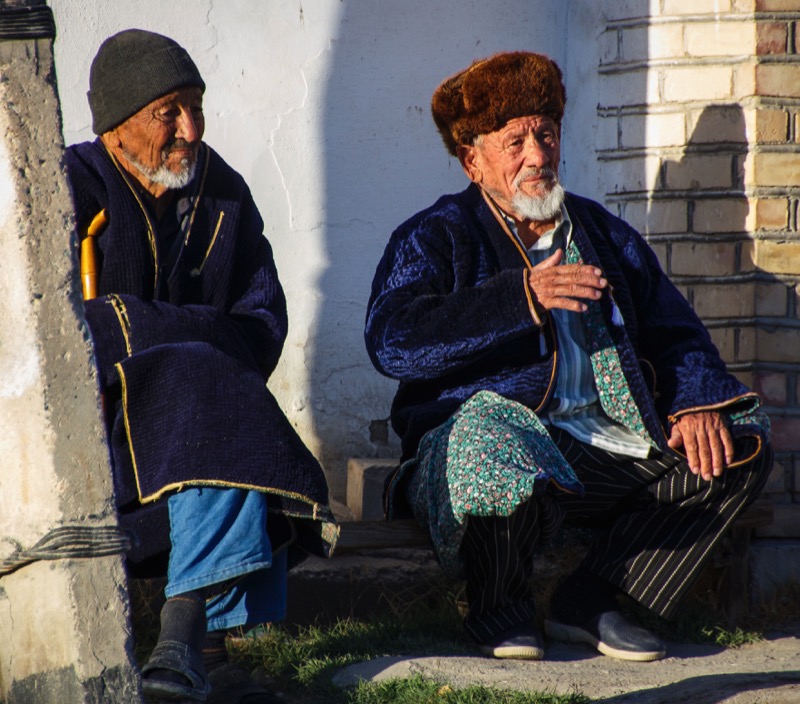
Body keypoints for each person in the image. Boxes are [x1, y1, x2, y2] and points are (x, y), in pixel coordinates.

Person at [364, 51, 772, 663]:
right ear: (473, 160)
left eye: (546, 134)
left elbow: (676, 334)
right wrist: (519, 300)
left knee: (741, 436)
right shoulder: (436, 235)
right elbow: (392, 339)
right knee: (485, 431)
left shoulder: (604, 234)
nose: (537, 155)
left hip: (601, 449)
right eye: (514, 141)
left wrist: (693, 403)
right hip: (499, 449)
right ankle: (500, 608)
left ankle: (596, 595)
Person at [65, 29, 336, 703]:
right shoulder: (68, 187)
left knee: (212, 391)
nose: (191, 129)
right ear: (118, 125)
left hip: (202, 420)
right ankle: (198, 644)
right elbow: (54, 334)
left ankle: (185, 645)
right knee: (212, 386)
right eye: (170, 112)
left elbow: (262, 324)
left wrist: (141, 327)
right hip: (103, 432)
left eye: (197, 106)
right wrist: (166, 340)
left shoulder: (224, 193)